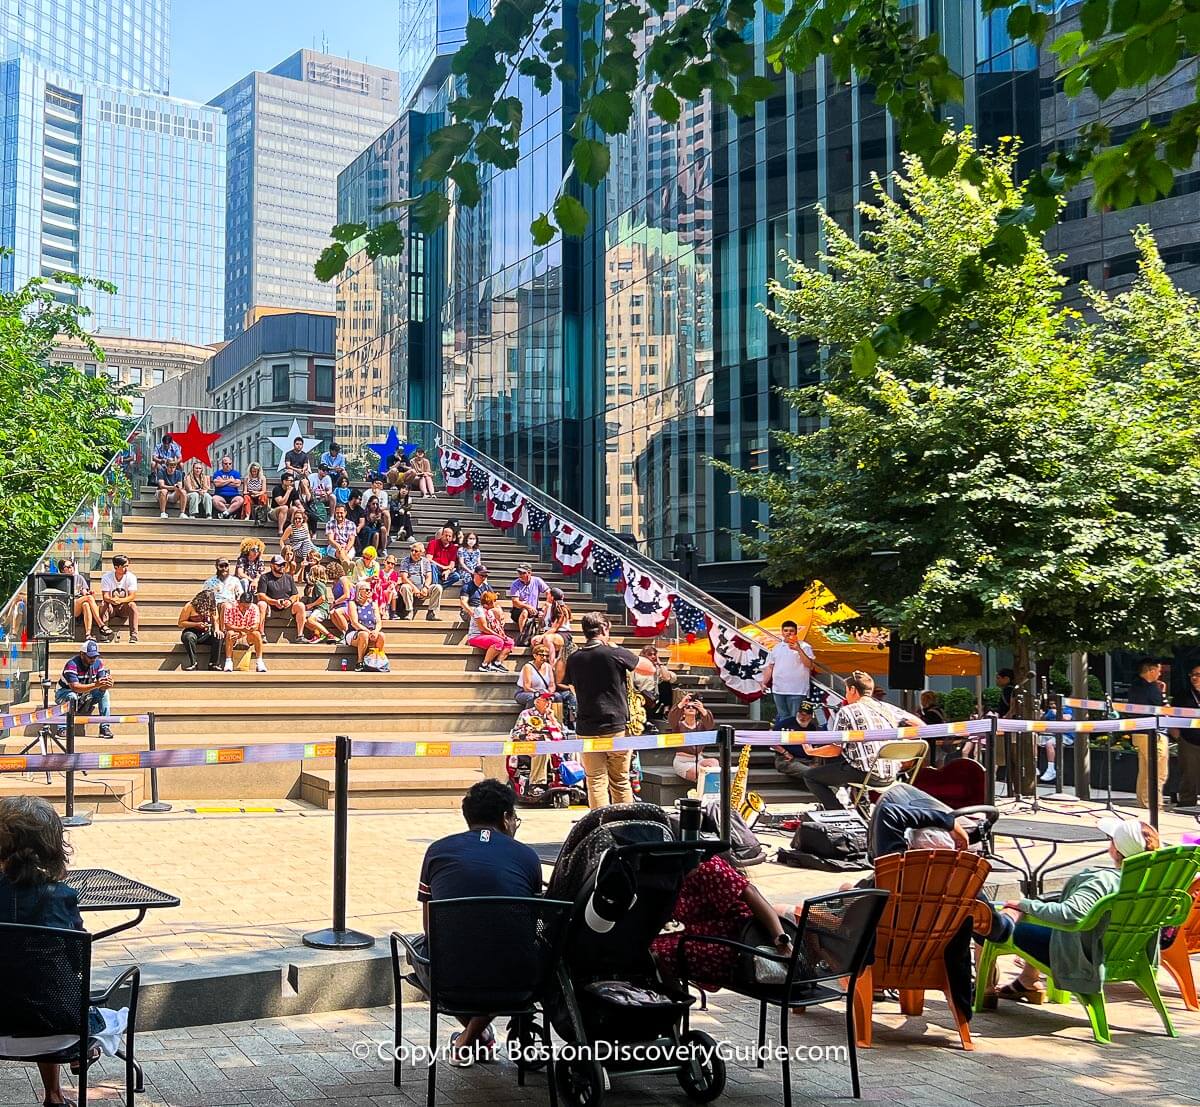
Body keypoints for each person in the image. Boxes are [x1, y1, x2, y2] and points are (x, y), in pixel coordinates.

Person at [0, 796, 131, 1107]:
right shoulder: (61, 897)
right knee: (50, 989)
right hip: (61, 1033)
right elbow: (75, 960)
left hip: (2, 1025)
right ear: (55, 846)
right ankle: (71, 1070)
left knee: (22, 986)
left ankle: (56, 1094)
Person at [412, 779, 542, 1063]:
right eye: (515, 818)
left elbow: (430, 927)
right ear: (506, 818)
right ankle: (473, 1037)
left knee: (421, 948)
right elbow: (530, 925)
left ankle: (470, 1038)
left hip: (449, 982)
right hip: (520, 981)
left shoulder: (437, 851)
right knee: (501, 951)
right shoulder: (528, 857)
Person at [993, 817, 1161, 1004]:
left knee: (996, 920)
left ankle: (984, 992)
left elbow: (1069, 915)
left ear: (1116, 849)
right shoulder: (1155, 882)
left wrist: (1023, 905)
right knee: (1040, 913)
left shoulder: (1103, 881)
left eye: (1111, 839)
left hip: (1084, 957)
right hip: (1126, 953)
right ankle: (1027, 981)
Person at [651, 853, 792, 992]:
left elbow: (751, 892)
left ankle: (675, 1005)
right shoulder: (669, 876)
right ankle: (672, 1000)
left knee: (656, 954)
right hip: (699, 937)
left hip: (733, 942)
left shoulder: (707, 867)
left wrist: (780, 939)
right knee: (645, 950)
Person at [798, 670, 922, 810]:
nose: (845, 695)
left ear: (852, 690)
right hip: (891, 773)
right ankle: (861, 811)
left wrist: (812, 751)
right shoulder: (886, 707)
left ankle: (839, 814)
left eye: (846, 691)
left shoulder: (847, 711)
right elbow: (920, 726)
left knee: (811, 776)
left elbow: (835, 750)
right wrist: (901, 742)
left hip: (866, 773)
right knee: (852, 762)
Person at [561, 612, 638, 808]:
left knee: (595, 780)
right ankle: (625, 822)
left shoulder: (575, 657)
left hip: (586, 727)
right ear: (604, 629)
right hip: (615, 726)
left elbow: (567, 684)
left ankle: (600, 826)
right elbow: (648, 668)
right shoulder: (614, 653)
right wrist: (616, 648)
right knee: (620, 780)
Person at [1128, 657, 1168, 808]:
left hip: (1140, 732)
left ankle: (1145, 803)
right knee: (1157, 773)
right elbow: (1164, 708)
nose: (1160, 674)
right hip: (1152, 734)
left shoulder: (1135, 687)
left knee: (1145, 771)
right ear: (1151, 671)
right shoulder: (1151, 689)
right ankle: (1154, 806)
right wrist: (1163, 693)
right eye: (1158, 671)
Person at [55, 639, 115, 738]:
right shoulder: (72, 664)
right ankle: (62, 728)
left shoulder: (98, 663)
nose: (93, 659)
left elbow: (101, 684)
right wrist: (97, 685)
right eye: (90, 656)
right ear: (82, 654)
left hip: (85, 694)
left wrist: (108, 684)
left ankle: (104, 727)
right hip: (64, 692)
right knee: (72, 696)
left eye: (95, 656)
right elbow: (75, 687)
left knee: (105, 694)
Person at [512, 689, 567, 792]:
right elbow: (515, 734)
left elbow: (562, 733)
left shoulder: (551, 716)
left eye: (550, 699)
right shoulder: (526, 714)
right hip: (530, 746)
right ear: (536, 701)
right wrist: (526, 736)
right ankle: (537, 784)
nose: (549, 702)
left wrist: (553, 719)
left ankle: (575, 781)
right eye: (545, 699)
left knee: (575, 749)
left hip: (552, 746)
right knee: (542, 748)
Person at [761, 620, 816, 722]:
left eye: (791, 630)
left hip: (797, 690)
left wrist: (798, 649)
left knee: (796, 719)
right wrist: (764, 682)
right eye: (786, 630)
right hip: (779, 689)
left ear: (795, 632)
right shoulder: (776, 648)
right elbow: (770, 667)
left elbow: (809, 665)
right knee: (783, 718)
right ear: (782, 632)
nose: (788, 633)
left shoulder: (805, 646)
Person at [516, 643, 576, 724]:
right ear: (535, 655)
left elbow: (552, 684)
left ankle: (559, 722)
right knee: (534, 698)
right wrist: (540, 693)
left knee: (557, 696)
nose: (544, 658)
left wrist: (549, 693)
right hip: (526, 692)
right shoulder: (528, 667)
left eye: (546, 656)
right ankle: (530, 722)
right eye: (541, 655)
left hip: (545, 692)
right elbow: (527, 687)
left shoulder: (548, 666)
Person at [669, 693, 719, 782]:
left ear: (697, 711)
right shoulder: (678, 725)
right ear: (683, 712)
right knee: (701, 773)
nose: (691, 708)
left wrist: (703, 710)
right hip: (682, 762)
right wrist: (681, 704)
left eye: (694, 707)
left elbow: (710, 725)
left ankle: (712, 793)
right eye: (688, 707)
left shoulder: (701, 725)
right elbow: (672, 719)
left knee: (714, 763)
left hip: (698, 759)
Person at [59, 557, 112, 641]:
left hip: (78, 605)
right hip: (67, 606)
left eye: (72, 565)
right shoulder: (60, 581)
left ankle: (88, 634)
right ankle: (101, 625)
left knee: (86, 604)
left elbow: (84, 593)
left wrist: (88, 593)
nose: (71, 568)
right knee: (88, 599)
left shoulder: (79, 578)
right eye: (68, 567)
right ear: (62, 570)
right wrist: (88, 596)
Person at [770, 700, 820, 785]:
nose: (801, 717)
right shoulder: (786, 723)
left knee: (822, 771)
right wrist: (784, 752)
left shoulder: (812, 727)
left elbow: (815, 747)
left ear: (810, 716)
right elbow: (771, 739)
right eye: (800, 713)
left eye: (805, 715)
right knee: (811, 772)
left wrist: (816, 763)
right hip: (788, 760)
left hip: (807, 760)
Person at [256, 554, 305, 640]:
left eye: (283, 564)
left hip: (287, 609)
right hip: (270, 609)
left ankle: (300, 636)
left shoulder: (289, 577)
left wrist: (289, 601)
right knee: (261, 604)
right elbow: (261, 595)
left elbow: (295, 594)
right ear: (272, 565)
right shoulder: (265, 577)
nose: (282, 566)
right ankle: (261, 634)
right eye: (279, 565)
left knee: (300, 605)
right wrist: (274, 602)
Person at [222, 585, 266, 672]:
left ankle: (259, 661)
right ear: (239, 602)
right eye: (243, 606)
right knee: (230, 633)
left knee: (257, 634)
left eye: (247, 606)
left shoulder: (254, 608)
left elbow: (255, 626)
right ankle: (228, 661)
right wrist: (242, 629)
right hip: (235, 634)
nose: (245, 609)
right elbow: (227, 625)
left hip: (246, 635)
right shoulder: (231, 607)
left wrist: (241, 633)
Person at [468, 591, 515, 672]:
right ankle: (484, 665)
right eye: (494, 601)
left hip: (487, 635)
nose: (495, 603)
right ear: (489, 602)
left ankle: (497, 663)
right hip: (476, 636)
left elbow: (494, 626)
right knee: (498, 641)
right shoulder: (479, 610)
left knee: (509, 642)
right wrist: (498, 636)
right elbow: (483, 628)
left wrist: (501, 632)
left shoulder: (490, 612)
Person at [1175, 664, 1200, 808]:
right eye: (1192, 675)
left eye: (1198, 675)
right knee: (1189, 774)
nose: (1194, 678)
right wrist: (1178, 736)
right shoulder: (1183, 695)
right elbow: (1171, 715)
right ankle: (1186, 802)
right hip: (1188, 741)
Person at [345, 582, 387, 670]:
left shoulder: (373, 604)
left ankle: (376, 660)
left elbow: (379, 622)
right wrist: (369, 632)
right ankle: (360, 661)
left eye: (370, 590)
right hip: (355, 632)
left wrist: (375, 631)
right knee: (364, 634)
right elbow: (354, 623)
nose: (369, 592)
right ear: (359, 591)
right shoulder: (352, 604)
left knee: (381, 635)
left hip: (371, 632)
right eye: (367, 590)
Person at [178, 589, 222, 671]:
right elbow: (181, 623)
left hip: (206, 633)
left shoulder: (212, 606)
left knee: (219, 636)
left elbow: (216, 619)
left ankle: (214, 663)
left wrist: (216, 629)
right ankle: (194, 663)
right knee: (188, 637)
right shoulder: (190, 606)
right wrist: (196, 624)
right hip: (192, 631)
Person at [399, 541, 444, 621]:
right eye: (412, 550)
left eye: (416, 551)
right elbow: (404, 578)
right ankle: (409, 611)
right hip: (411, 587)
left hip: (423, 587)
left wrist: (426, 587)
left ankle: (431, 612)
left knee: (438, 587)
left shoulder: (426, 561)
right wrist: (414, 588)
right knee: (405, 587)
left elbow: (429, 576)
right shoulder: (405, 561)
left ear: (422, 553)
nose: (413, 552)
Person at [99, 554, 139, 643]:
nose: (127, 569)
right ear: (116, 567)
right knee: (104, 604)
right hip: (111, 608)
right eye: (124, 566)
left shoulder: (131, 577)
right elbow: (105, 596)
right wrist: (112, 600)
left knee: (132, 605)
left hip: (123, 607)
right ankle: (104, 633)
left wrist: (120, 600)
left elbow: (132, 596)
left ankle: (134, 635)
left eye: (127, 566)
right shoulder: (106, 577)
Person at [633, 643, 676, 721]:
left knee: (665, 684)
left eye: (654, 654)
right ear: (643, 656)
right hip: (642, 697)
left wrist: (660, 664)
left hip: (656, 697)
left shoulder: (658, 669)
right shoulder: (636, 669)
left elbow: (667, 678)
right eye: (650, 654)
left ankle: (666, 711)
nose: (653, 657)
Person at [532, 587, 573, 665]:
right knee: (534, 640)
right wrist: (541, 616)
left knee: (547, 639)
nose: (547, 595)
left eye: (548, 594)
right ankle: (541, 662)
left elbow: (555, 628)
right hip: (550, 632)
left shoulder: (561, 609)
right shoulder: (548, 607)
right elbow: (543, 624)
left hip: (562, 634)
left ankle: (552, 664)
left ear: (552, 597)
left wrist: (542, 636)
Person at [299, 565, 339, 644]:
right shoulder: (318, 584)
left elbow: (322, 598)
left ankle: (330, 635)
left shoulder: (318, 584)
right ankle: (317, 634)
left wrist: (311, 605)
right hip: (317, 608)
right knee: (304, 619)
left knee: (311, 620)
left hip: (321, 608)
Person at [508, 563, 549, 640]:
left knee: (543, 613)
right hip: (518, 610)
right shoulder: (515, 584)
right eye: (519, 573)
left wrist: (544, 608)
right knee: (525, 612)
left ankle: (541, 633)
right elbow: (515, 602)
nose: (520, 575)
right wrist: (527, 607)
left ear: (529, 572)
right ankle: (522, 636)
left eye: (523, 573)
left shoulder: (537, 580)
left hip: (534, 610)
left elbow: (549, 593)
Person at [324, 503, 358, 568]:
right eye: (337, 513)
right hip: (333, 547)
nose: (339, 515)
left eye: (341, 513)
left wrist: (346, 549)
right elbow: (331, 540)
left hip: (348, 547)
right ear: (335, 513)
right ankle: (348, 566)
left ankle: (346, 564)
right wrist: (339, 547)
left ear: (345, 513)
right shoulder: (330, 524)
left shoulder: (351, 524)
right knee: (341, 552)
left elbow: (351, 540)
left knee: (343, 553)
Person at [270, 472, 303, 536]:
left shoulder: (293, 490)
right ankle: (280, 531)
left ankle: (292, 530)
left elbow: (297, 503)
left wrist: (301, 509)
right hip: (274, 512)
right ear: (284, 481)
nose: (292, 483)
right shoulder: (277, 489)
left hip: (286, 512)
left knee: (294, 508)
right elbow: (281, 502)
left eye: (293, 481)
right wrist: (288, 491)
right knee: (284, 507)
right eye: (290, 481)